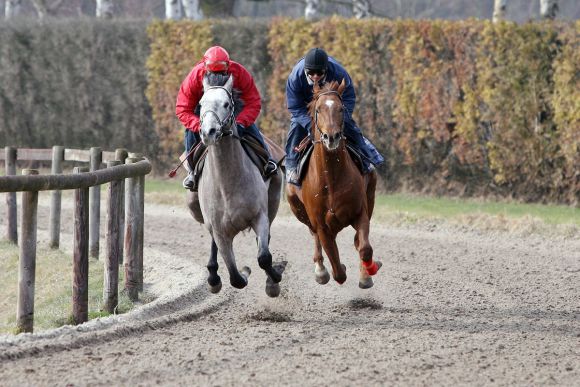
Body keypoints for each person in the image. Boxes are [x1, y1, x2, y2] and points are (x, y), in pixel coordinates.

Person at [176, 46, 277, 190]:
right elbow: (182, 108)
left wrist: (242, 122)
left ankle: (267, 161)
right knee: (190, 134)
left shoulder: (240, 72)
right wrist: (199, 125)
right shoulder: (195, 76)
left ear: (228, 66)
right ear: (205, 67)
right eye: (212, 72)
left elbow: (253, 102)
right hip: (204, 113)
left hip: (233, 110)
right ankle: (192, 172)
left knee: (251, 130)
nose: (217, 76)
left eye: (222, 73)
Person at [285, 47, 384, 186]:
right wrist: (310, 125)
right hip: (305, 109)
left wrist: (341, 118)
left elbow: (349, 97)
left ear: (326, 70)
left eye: (319, 72)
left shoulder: (339, 72)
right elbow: (295, 107)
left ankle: (368, 158)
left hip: (332, 108)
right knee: (295, 128)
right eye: (311, 73)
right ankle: (291, 166)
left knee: (350, 127)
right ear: (305, 70)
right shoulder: (295, 76)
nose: (315, 76)